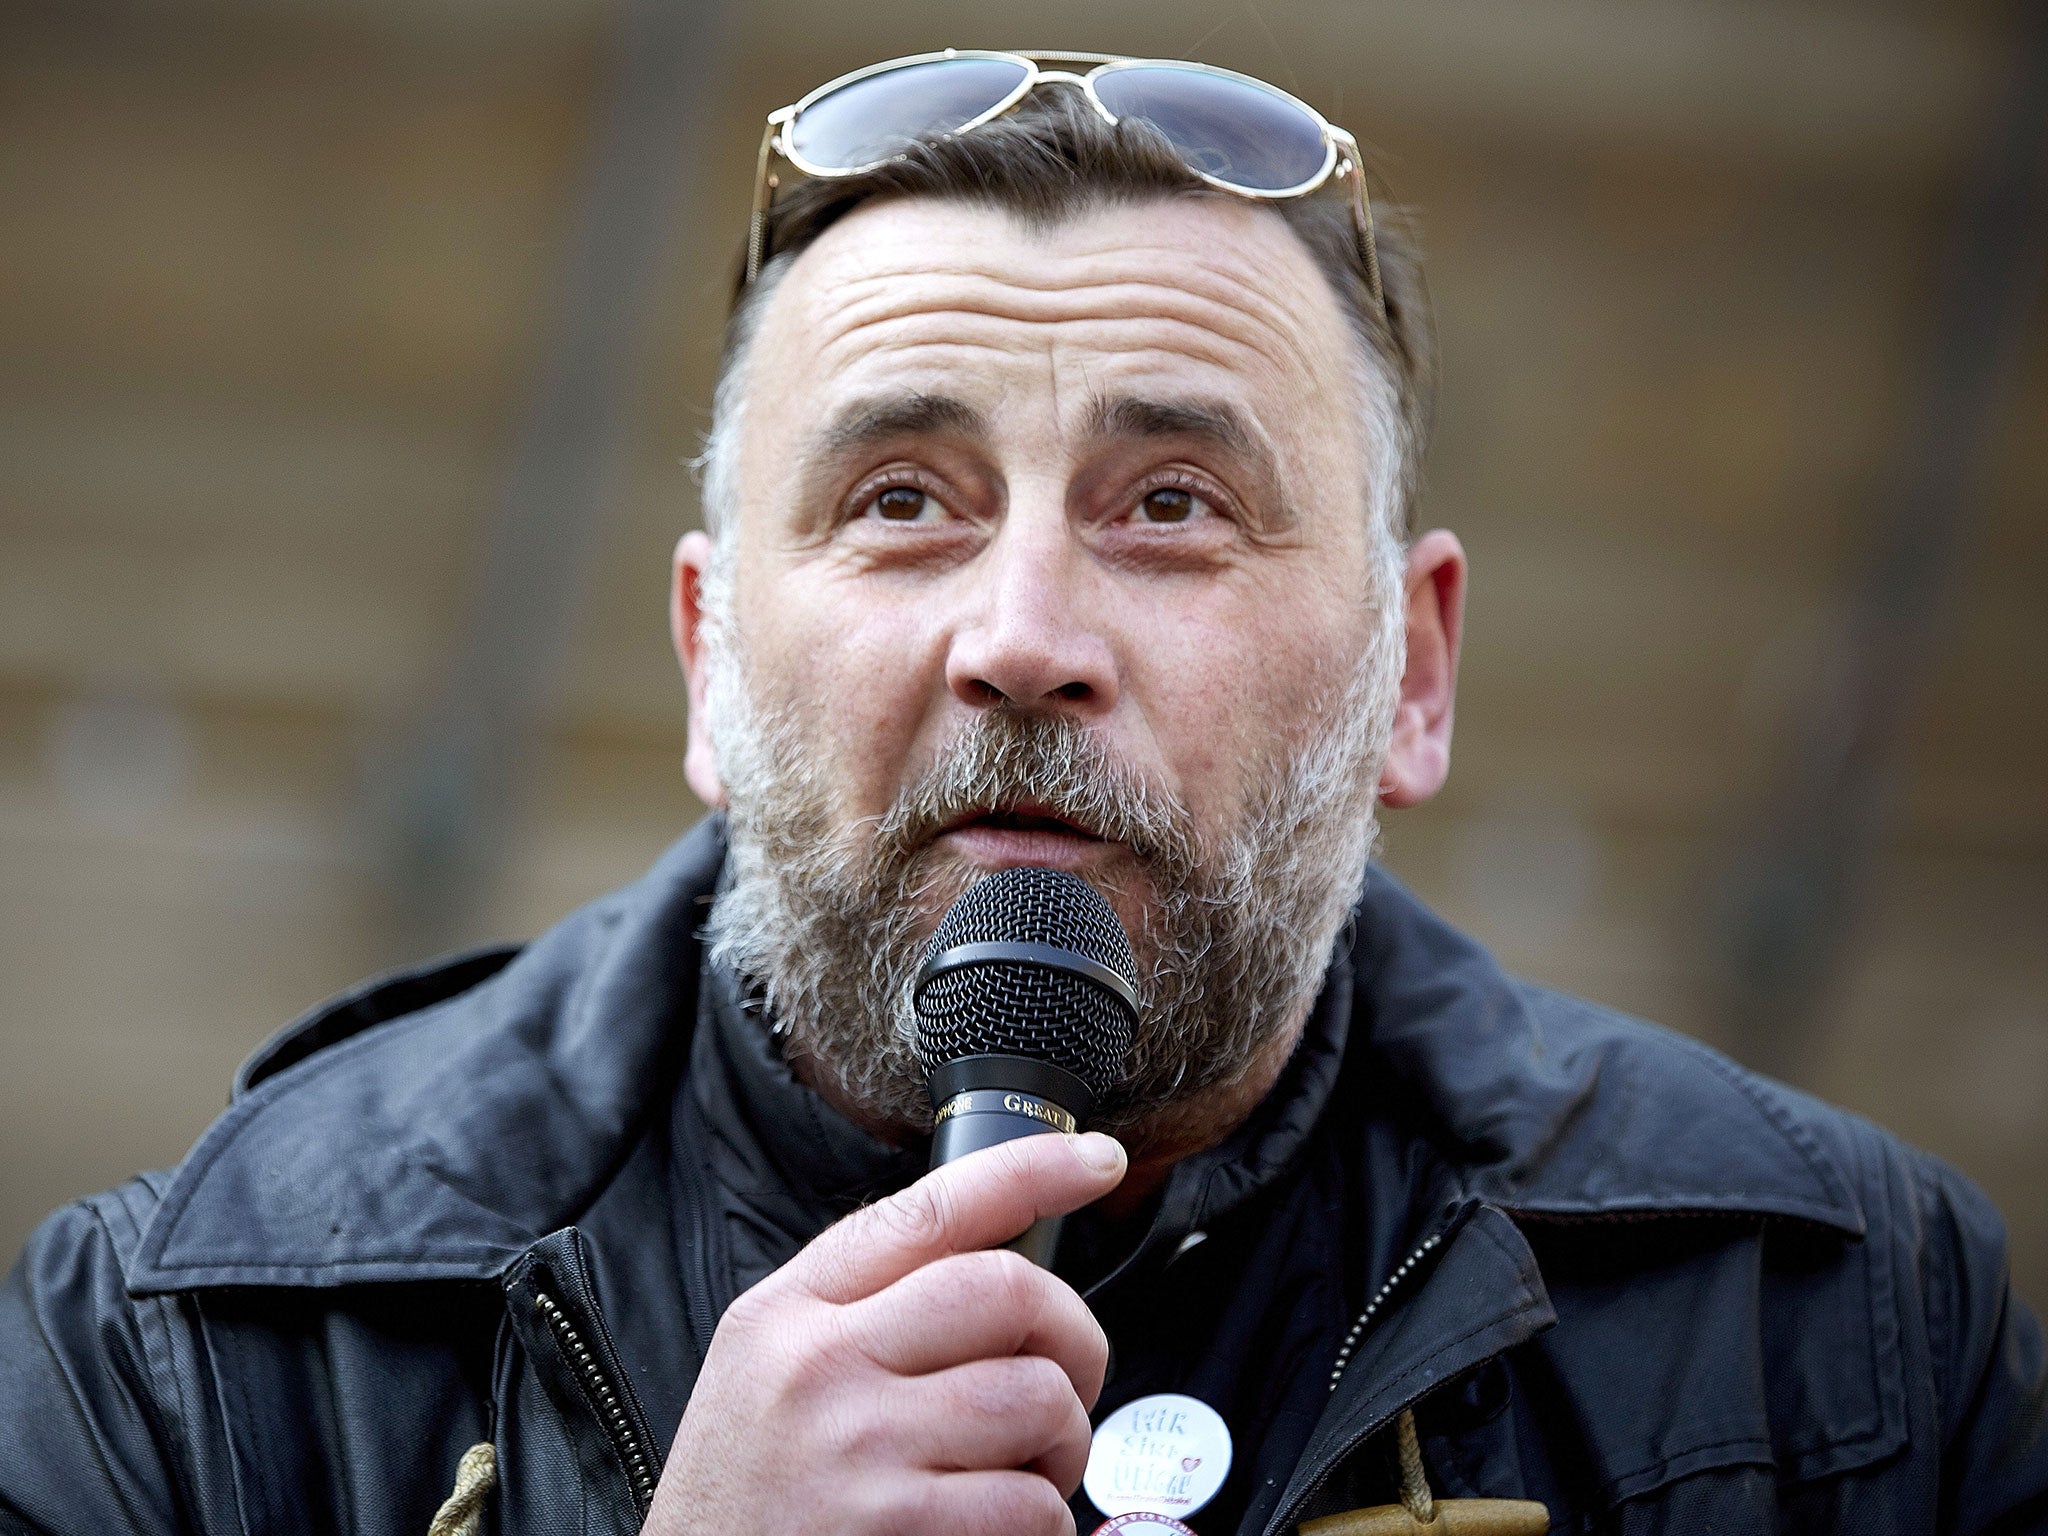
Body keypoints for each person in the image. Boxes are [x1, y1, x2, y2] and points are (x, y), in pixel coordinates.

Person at [2, 50, 2042, 1536]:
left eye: (1173, 507)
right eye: (902, 503)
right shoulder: (185, 1349)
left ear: (1413, 678)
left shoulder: (1841, 1331)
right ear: (707, 658)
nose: (1023, 633)